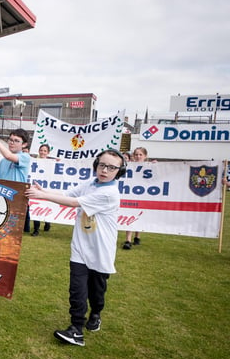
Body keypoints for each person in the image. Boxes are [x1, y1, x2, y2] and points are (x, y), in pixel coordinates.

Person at [25, 149, 126, 347]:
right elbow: (67, 194)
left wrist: (40, 196)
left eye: (111, 167)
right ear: (96, 165)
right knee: (77, 289)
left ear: (119, 171)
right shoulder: (91, 183)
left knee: (96, 293)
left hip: (100, 251)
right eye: (102, 165)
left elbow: (73, 203)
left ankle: (95, 314)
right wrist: (43, 192)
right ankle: (76, 330)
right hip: (80, 247)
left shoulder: (109, 193)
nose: (105, 170)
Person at [0, 129, 31, 232]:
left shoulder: (25, 157)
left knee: (11, 234)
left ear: (24, 144)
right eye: (10, 140)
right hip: (1, 200)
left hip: (16, 200)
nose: (12, 143)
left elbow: (9, 156)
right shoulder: (3, 161)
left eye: (16, 141)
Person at [123, 147, 149, 250]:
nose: (138, 157)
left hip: (143, 194)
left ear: (145, 156)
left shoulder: (149, 166)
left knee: (139, 215)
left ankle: (137, 236)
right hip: (132, 194)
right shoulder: (130, 166)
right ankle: (128, 240)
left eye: (140, 155)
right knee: (130, 214)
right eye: (136, 155)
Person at [32, 144, 53, 236]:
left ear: (48, 153)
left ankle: (47, 222)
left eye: (45, 151)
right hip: (36, 187)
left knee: (46, 206)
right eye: (41, 150)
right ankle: (36, 229)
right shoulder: (34, 161)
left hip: (46, 188)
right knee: (36, 206)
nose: (42, 152)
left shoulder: (51, 163)